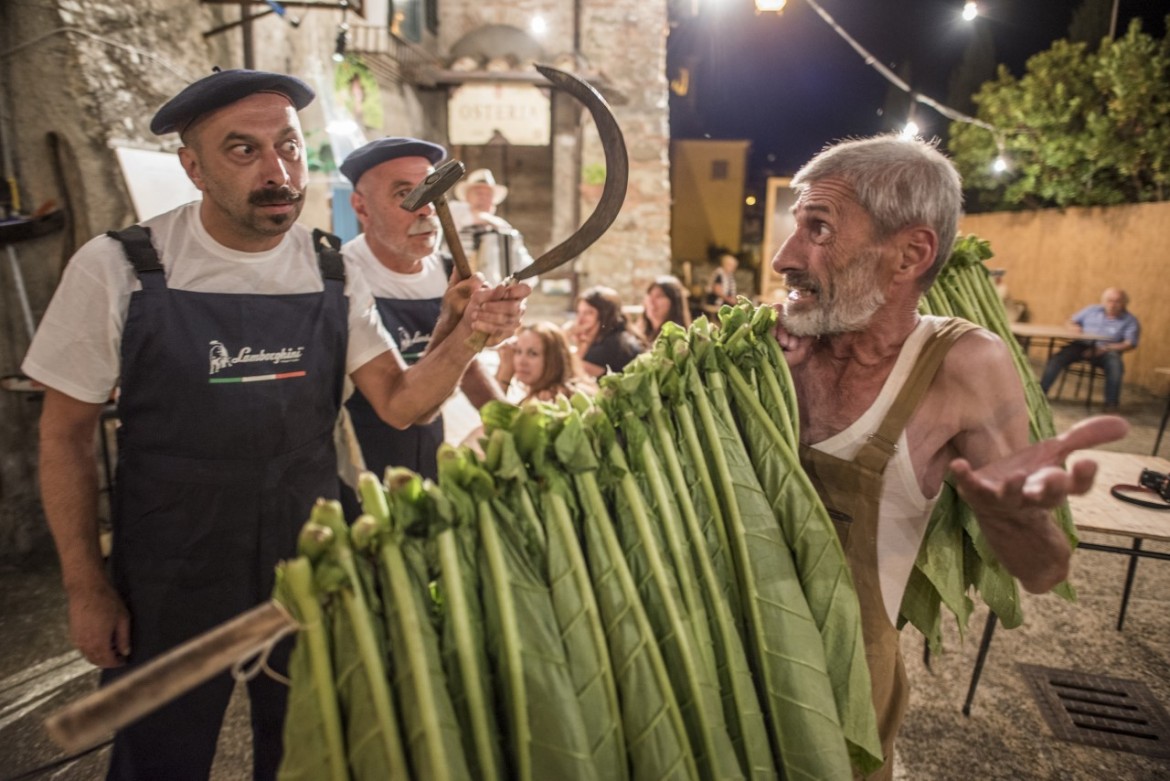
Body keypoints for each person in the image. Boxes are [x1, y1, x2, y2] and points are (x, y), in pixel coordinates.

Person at [21, 69, 527, 781]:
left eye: (288, 147)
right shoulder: (122, 267)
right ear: (191, 165)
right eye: (243, 150)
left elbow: (401, 401)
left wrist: (470, 332)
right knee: (157, 758)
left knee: (303, 751)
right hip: (171, 572)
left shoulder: (328, 272)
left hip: (306, 561)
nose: (278, 171)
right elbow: (64, 433)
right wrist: (84, 584)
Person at [769, 134, 1126, 781]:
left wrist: (1013, 516)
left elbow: (1045, 569)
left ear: (909, 254)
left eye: (818, 229)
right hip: (721, 669)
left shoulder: (960, 367)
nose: (782, 258)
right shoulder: (777, 346)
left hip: (839, 702)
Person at [337, 137, 506, 483]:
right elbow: (397, 403)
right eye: (403, 194)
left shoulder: (449, 272)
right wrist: (463, 335)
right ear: (361, 208)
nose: (426, 208)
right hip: (359, 472)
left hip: (429, 453)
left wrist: (513, 425)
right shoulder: (339, 279)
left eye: (432, 192)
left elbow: (467, 369)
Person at [1038, 287, 1139, 413]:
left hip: (1107, 350)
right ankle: (1039, 395)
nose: (1112, 305)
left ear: (1124, 303)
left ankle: (1111, 404)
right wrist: (1072, 326)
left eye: (1117, 301)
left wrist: (1105, 348)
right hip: (1081, 345)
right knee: (1057, 358)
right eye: (1109, 301)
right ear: (1103, 301)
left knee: (1116, 365)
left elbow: (1129, 343)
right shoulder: (1092, 310)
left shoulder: (1130, 320)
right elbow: (1070, 320)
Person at [449, 167, 535, 283]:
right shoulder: (454, 210)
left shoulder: (507, 231)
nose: (483, 198)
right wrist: (494, 221)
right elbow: (465, 215)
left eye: (488, 195)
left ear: (493, 203)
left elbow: (526, 267)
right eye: (478, 193)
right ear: (467, 197)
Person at [495, 322, 597, 403]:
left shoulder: (548, 398)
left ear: (554, 359)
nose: (522, 361)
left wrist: (505, 375)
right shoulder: (570, 387)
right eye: (518, 351)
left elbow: (490, 424)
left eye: (533, 353)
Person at [569, 285, 646, 377]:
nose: (580, 320)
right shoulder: (621, 337)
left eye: (588, 313)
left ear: (605, 316)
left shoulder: (609, 347)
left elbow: (569, 373)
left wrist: (565, 336)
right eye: (579, 312)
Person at [641, 274, 692, 343]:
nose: (651, 301)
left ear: (674, 302)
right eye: (649, 295)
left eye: (659, 296)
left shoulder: (679, 342)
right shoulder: (639, 337)